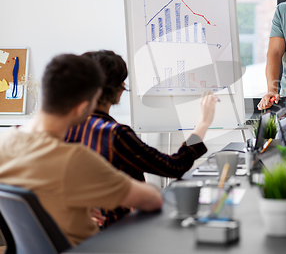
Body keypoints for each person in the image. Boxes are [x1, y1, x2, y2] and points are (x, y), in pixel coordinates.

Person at [0, 54, 163, 246]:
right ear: (82, 108)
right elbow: (152, 200)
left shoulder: (5, 139)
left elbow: (32, 197)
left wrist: (76, 202)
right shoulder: (74, 158)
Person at [65, 50, 218, 227]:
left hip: (80, 233)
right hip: (119, 231)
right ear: (118, 90)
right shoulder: (115, 134)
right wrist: (203, 124)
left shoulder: (67, 129)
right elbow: (175, 166)